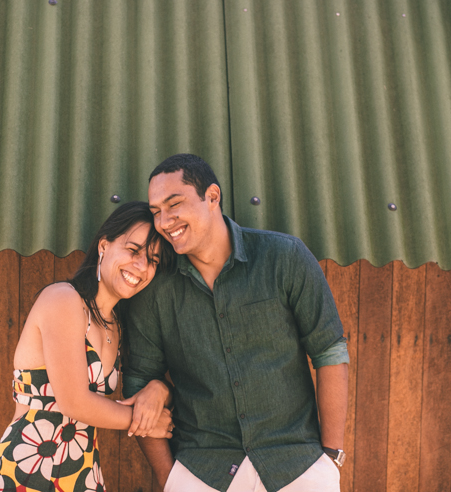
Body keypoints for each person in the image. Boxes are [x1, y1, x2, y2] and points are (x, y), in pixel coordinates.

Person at [122, 154, 350, 492]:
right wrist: (168, 478)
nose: (165, 221)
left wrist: (331, 457)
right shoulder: (156, 289)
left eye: (174, 204)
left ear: (212, 197)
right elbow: (139, 382)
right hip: (202, 471)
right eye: (156, 212)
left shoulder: (283, 258)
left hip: (296, 466)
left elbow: (329, 352)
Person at [0, 201, 176, 492]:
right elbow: (74, 402)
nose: (142, 266)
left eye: (153, 260)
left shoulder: (118, 324)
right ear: (104, 246)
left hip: (81, 474)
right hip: (24, 471)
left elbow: (139, 386)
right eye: (133, 251)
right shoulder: (63, 299)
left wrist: (161, 390)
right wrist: (145, 423)